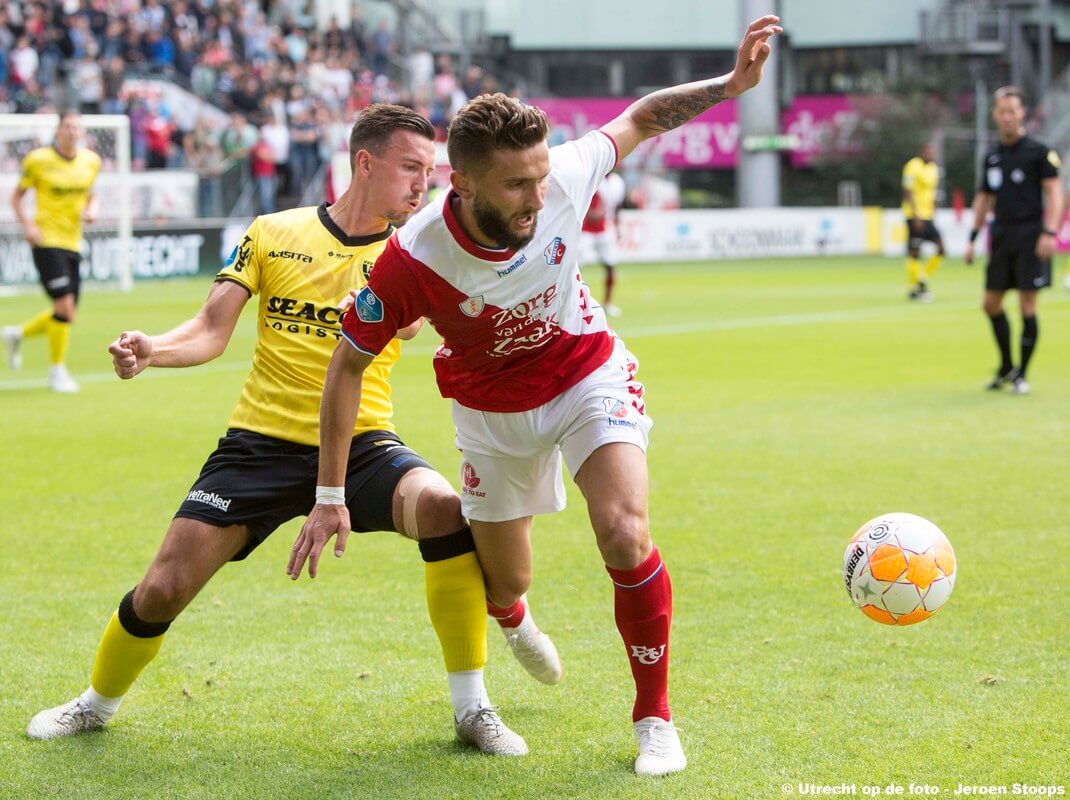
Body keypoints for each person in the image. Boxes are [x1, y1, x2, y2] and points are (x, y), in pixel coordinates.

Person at [293, 16, 783, 777]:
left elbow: (643, 116)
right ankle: (510, 613)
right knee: (509, 578)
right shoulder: (410, 260)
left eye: (540, 176)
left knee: (624, 531)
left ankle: (654, 716)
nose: (537, 195)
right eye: (516, 185)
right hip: (491, 413)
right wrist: (329, 493)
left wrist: (732, 86)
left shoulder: (562, 173)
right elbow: (346, 367)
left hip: (586, 373)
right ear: (464, 182)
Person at [25, 105, 559, 756]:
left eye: (432, 172)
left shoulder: (413, 251)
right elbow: (210, 330)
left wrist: (374, 310)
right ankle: (94, 704)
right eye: (411, 168)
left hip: (363, 445)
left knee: (444, 510)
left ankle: (472, 707)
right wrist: (153, 349)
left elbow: (414, 324)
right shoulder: (272, 232)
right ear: (365, 163)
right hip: (259, 444)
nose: (426, 185)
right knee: (163, 587)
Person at [965, 86, 1063, 395]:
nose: (1007, 117)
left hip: (1031, 234)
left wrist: (1050, 232)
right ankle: (1007, 366)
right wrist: (973, 236)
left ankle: (1023, 373)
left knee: (1027, 304)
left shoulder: (1039, 151)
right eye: (1002, 111)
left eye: (1013, 111)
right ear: (995, 114)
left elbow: (1055, 194)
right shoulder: (992, 155)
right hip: (1002, 234)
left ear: (1022, 113)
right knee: (990, 303)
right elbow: (983, 198)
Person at [4, 109, 100, 393]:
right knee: (64, 307)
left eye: (76, 127)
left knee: (67, 314)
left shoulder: (90, 162)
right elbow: (17, 197)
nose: (72, 131)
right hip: (46, 240)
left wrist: (92, 210)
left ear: (81, 133)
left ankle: (17, 333)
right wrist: (28, 226)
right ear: (58, 131)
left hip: (73, 242)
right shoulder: (38, 160)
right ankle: (57, 372)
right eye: (67, 126)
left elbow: (92, 194)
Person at [580, 170, 627, 316]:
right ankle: (575, 303)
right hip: (585, 230)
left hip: (604, 229)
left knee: (611, 265)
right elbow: (581, 201)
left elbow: (617, 207)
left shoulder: (618, 182)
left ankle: (607, 303)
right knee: (573, 267)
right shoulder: (592, 178)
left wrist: (618, 227)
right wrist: (590, 214)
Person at [901, 143, 944, 302]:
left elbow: (934, 190)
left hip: (928, 215)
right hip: (915, 216)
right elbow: (907, 191)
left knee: (941, 248)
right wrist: (915, 215)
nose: (932, 155)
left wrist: (934, 204)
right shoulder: (912, 167)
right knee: (914, 251)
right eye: (929, 152)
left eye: (933, 152)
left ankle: (922, 277)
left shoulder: (934, 168)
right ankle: (915, 288)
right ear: (922, 152)